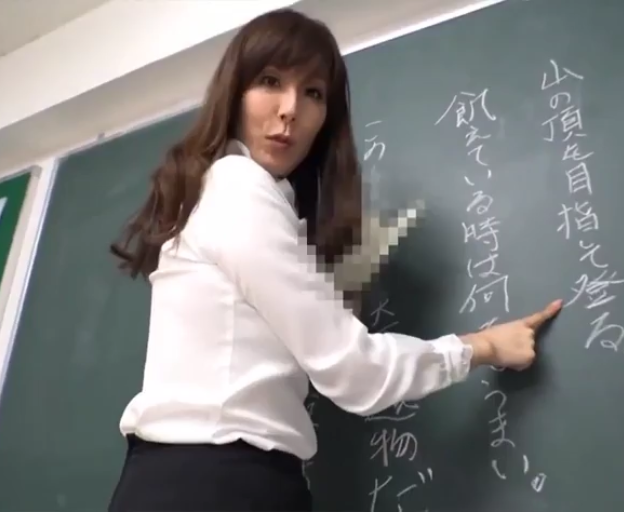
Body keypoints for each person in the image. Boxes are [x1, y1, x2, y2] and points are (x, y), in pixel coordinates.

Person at [107, 8, 562, 512]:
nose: (289, 110)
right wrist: (484, 346)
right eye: (269, 81)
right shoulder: (238, 188)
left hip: (191, 479)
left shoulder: (224, 194)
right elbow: (353, 370)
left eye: (313, 93)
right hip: (216, 483)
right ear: (234, 93)